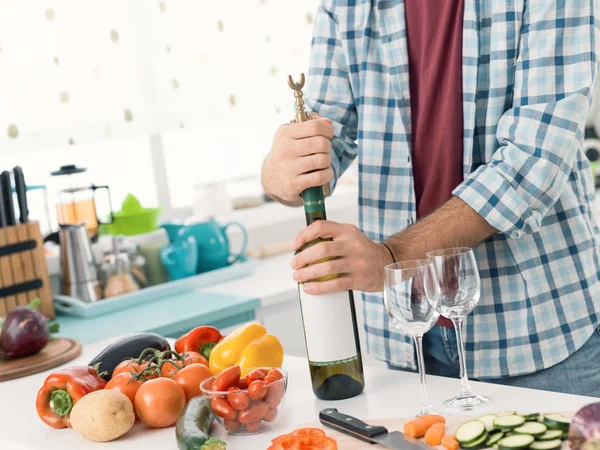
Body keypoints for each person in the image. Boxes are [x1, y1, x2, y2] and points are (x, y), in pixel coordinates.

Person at [261, 0, 600, 397]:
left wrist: (390, 258)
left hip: (537, 331)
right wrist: (278, 173)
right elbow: (325, 142)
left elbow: (532, 164)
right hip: (409, 340)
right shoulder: (346, 6)